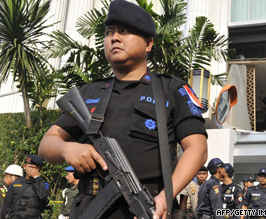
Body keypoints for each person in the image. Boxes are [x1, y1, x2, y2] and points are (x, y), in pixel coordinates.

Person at [38, 0, 208, 218]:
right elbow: (47, 143)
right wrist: (67, 150)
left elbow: (197, 149)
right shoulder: (90, 93)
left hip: (149, 207)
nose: (114, 38)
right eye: (109, 32)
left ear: (148, 44)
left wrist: (167, 196)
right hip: (89, 208)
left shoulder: (173, 90)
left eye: (125, 31)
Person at [0, 154, 50, 219]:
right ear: (24, 166)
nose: (32, 170)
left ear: (39, 169)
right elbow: (6, 205)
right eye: (30, 167)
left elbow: (43, 195)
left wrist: (36, 178)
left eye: (35, 168)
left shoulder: (43, 184)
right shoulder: (16, 183)